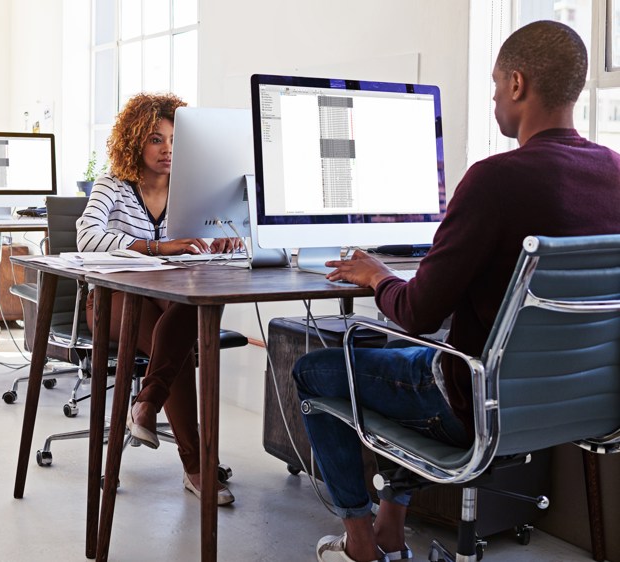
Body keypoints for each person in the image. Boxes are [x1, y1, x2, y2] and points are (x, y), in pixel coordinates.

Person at [294, 21, 620, 562]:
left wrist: (377, 276)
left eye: (495, 83)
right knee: (394, 358)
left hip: (476, 406)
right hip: (578, 406)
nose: (493, 95)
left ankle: (359, 542)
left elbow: (417, 312)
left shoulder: (495, 179)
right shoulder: (615, 172)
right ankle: (391, 529)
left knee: (315, 370)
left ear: (517, 83)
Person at [76, 91, 242, 506]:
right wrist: (156, 248)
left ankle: (147, 402)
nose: (167, 149)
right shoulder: (112, 185)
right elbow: (87, 236)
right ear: (134, 141)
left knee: (191, 310)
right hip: (113, 300)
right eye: (155, 138)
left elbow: (216, 235)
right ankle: (196, 466)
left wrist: (223, 241)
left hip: (170, 298)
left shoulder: (191, 189)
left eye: (173, 140)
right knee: (178, 349)